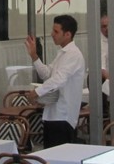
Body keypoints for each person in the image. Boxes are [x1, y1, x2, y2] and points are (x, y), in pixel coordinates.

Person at [23, 15, 85, 148]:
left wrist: (37, 92)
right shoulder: (62, 54)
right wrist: (34, 56)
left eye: (56, 32)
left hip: (63, 116)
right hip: (52, 114)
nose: (52, 34)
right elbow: (47, 74)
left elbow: (59, 80)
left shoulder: (73, 54)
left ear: (67, 34)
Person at [99, 14, 110, 81]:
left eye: (109, 25)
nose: (107, 28)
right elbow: (102, 70)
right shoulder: (99, 44)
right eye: (104, 26)